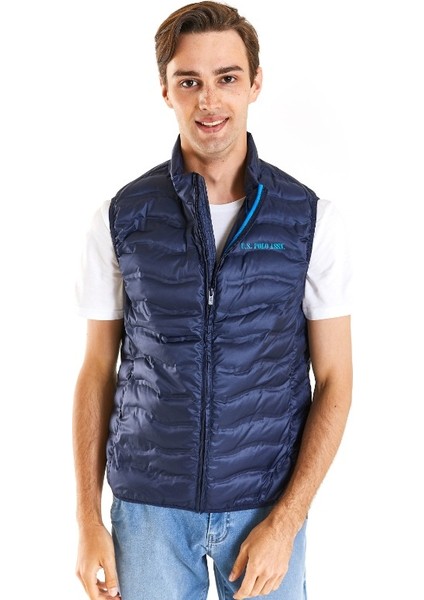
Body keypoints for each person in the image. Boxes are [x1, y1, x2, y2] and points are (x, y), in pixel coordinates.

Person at [72, 2, 353, 599]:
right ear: (165, 90)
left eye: (226, 78)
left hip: (264, 508)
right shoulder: (121, 217)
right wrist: (88, 520)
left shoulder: (310, 220)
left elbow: (335, 378)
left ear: (255, 83)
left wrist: (287, 521)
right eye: (189, 81)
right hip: (148, 511)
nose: (209, 100)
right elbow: (97, 369)